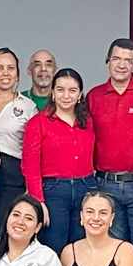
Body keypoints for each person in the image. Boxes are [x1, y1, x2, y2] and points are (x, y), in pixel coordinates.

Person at [22, 67, 97, 254]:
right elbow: (30, 166)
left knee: (81, 248)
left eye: (72, 90)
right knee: (54, 248)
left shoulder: (87, 121)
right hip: (53, 191)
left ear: (80, 94)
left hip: (85, 187)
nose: (66, 95)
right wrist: (38, 201)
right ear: (53, 93)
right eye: (60, 89)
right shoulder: (37, 122)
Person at [87, 38, 133, 249]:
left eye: (128, 60)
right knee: (112, 247)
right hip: (105, 184)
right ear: (108, 61)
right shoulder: (94, 96)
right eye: (116, 58)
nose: (122, 64)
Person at [0, 48, 37, 238]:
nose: (5, 73)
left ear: (18, 74)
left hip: (12, 177)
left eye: (10, 68)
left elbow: (34, 150)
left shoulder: (28, 106)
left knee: (4, 231)